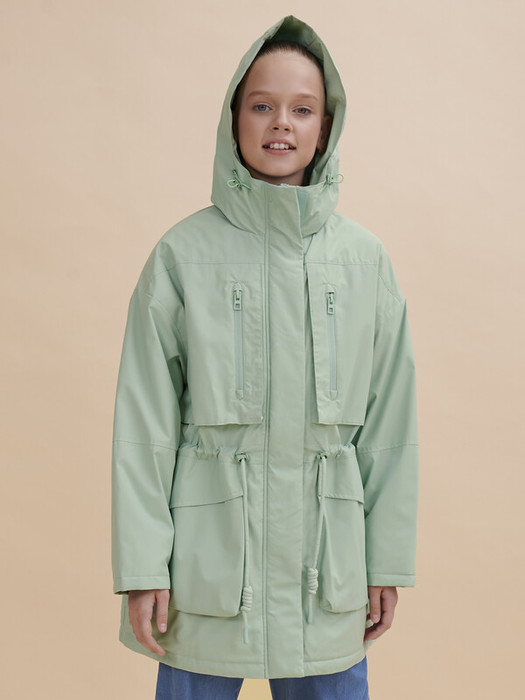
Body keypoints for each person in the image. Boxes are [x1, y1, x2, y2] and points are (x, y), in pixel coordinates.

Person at [111, 14, 419, 700]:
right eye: (261, 105)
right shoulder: (181, 256)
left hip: (326, 575)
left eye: (301, 109)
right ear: (233, 119)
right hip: (206, 577)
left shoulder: (364, 262)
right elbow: (144, 425)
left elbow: (390, 425)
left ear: (325, 127)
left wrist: (387, 562)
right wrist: (143, 567)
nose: (281, 123)